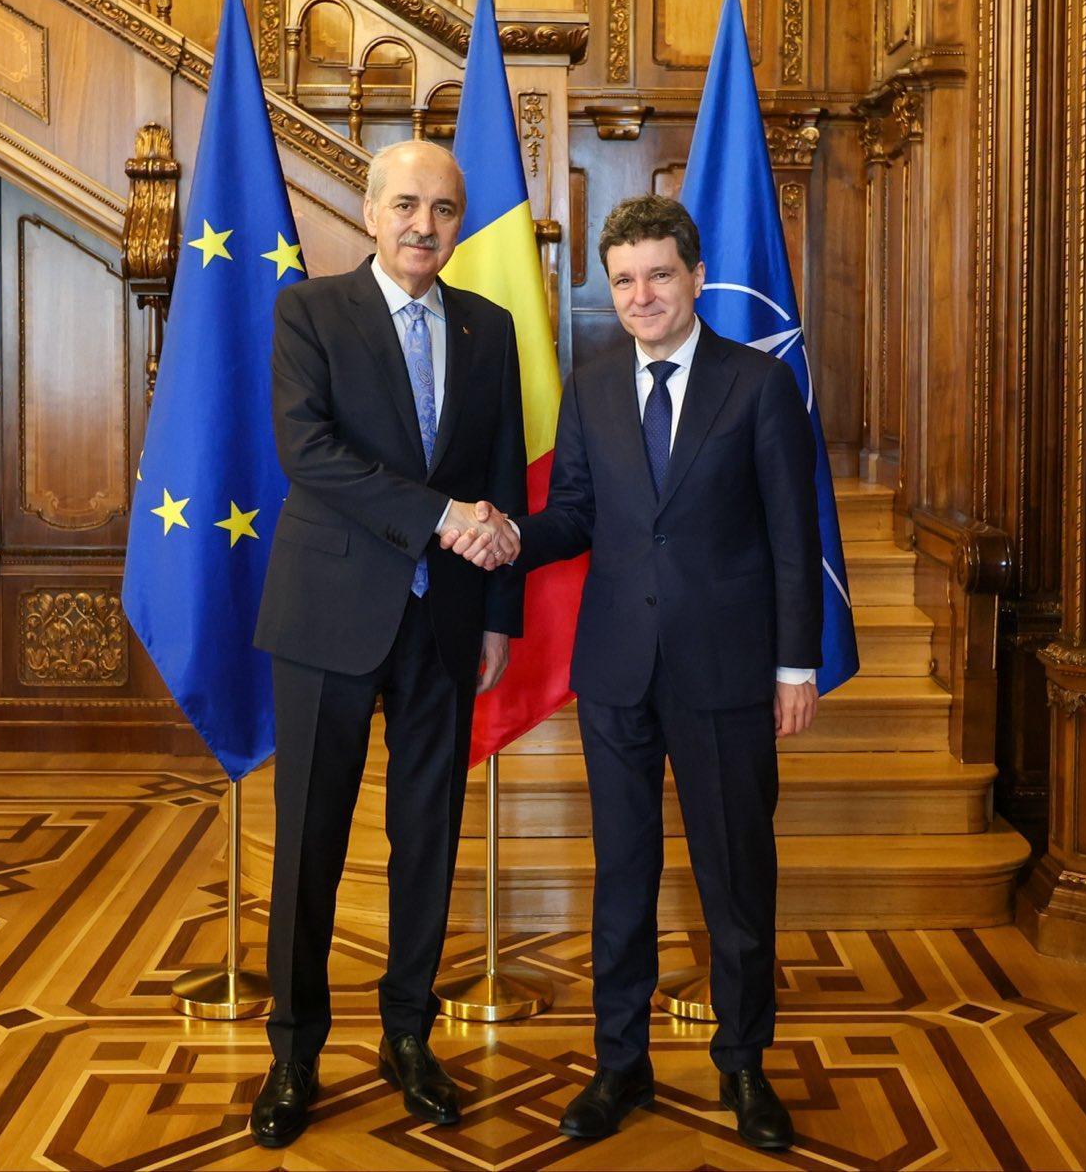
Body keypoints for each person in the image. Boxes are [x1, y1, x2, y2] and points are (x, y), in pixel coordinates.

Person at [449, 193, 819, 1151]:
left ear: (696, 277)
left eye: (659, 275)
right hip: (615, 669)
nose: (642, 295)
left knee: (736, 878)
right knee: (622, 874)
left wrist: (795, 665)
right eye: (623, 281)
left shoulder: (758, 385)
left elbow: (794, 535)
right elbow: (576, 513)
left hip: (727, 672)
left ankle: (744, 1066)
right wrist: (510, 535)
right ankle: (621, 1064)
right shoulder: (595, 383)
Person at [249, 139, 526, 1149]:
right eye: (405, 204)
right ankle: (295, 1050)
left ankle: (407, 1033)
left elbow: (503, 474)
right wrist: (442, 517)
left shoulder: (489, 327)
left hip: (444, 623)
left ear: (458, 225)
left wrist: (498, 614)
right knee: (308, 844)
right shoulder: (309, 312)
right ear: (368, 213)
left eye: (443, 209)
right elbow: (309, 453)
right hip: (327, 614)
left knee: (428, 839)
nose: (423, 225)